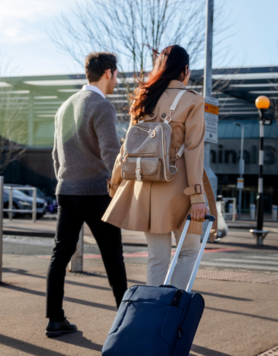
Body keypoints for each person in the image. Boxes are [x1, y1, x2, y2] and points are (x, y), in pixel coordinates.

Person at [104, 45, 208, 290]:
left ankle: (153, 308)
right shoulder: (192, 100)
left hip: (146, 186)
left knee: (157, 257)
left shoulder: (144, 98)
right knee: (188, 251)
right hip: (180, 187)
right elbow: (194, 152)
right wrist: (197, 197)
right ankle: (172, 306)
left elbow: (127, 147)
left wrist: (115, 182)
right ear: (184, 70)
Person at [46, 52, 128, 338]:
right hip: (96, 192)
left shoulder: (64, 107)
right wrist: (119, 186)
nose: (117, 80)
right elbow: (110, 152)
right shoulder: (102, 106)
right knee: (112, 256)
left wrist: (65, 180)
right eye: (116, 75)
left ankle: (55, 319)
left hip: (66, 190)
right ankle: (126, 323)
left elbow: (56, 154)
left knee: (60, 255)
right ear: (107, 73)